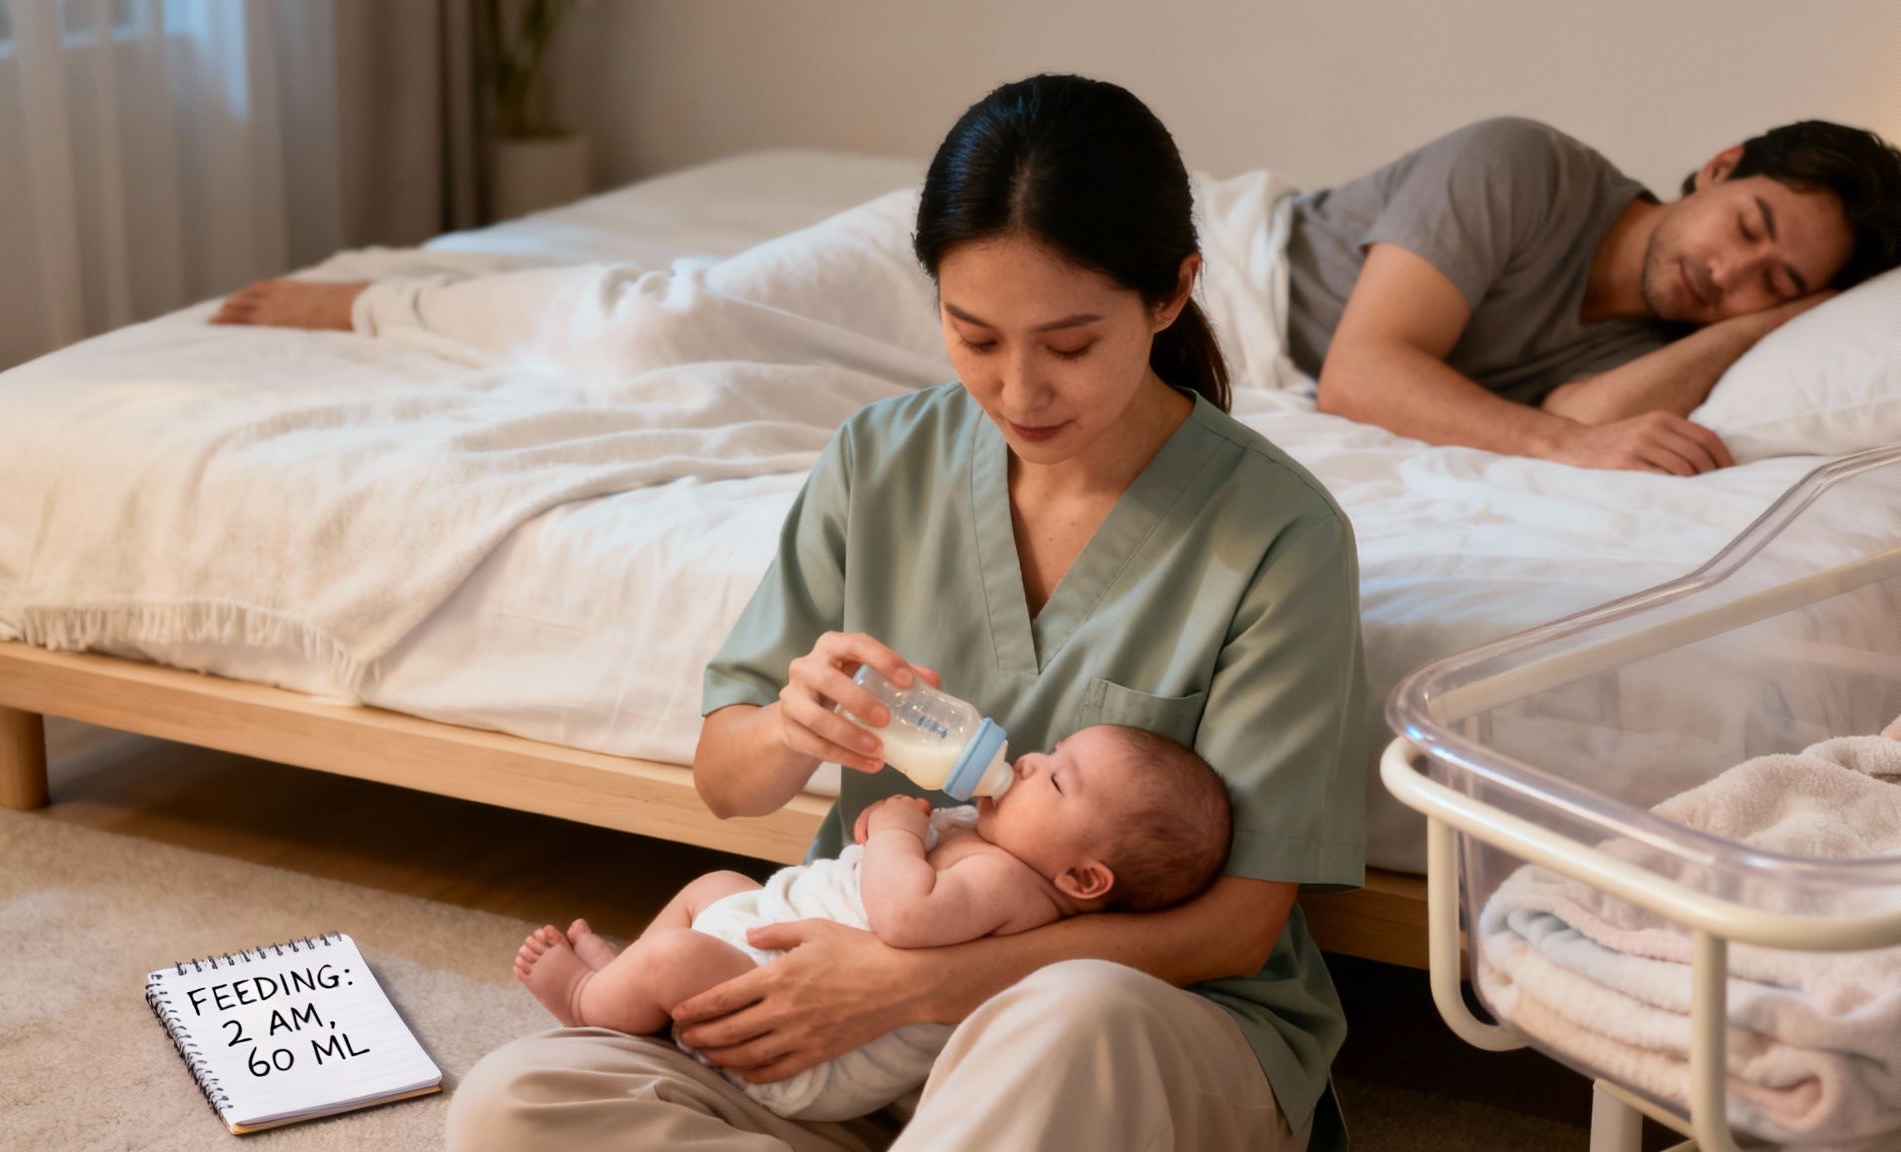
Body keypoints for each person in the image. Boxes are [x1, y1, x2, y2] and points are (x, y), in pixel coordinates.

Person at [213, 72, 1366, 1152]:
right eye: (973, 337)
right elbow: (728, 781)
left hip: (1131, 1027)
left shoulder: (1276, 535)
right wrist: (787, 728)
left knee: (1067, 1017)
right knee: (521, 1104)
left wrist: (911, 982)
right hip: (834, 1031)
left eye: (1069, 345)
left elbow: (1234, 929)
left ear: (1170, 291)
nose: (1018, 391)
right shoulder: (882, 460)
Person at [513, 724, 1233, 1122]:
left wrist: (892, 834)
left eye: (1056, 777)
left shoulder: (1008, 881)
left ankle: (588, 1002)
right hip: (780, 954)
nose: (1034, 758)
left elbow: (906, 916)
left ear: (1082, 879)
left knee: (676, 959)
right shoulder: (988, 842)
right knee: (714, 885)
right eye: (1053, 750)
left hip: (805, 1049)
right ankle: (626, 987)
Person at [1289, 117, 1901, 474]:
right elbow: (1359, 376)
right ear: (1719, 167)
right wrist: (1562, 446)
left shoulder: (1670, 346)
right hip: (1235, 279)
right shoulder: (1522, 165)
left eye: (1774, 282)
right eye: (1745, 226)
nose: (1729, 273)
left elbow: (1588, 421)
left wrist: (1758, 327)